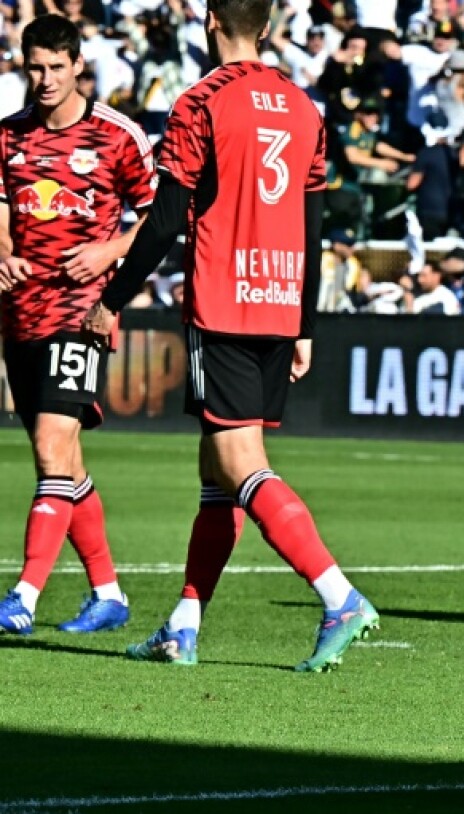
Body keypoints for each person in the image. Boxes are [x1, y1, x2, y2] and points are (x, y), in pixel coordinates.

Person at [81, 0, 379, 672]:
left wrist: (111, 301)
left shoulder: (200, 103)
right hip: (278, 302)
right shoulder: (304, 108)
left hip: (225, 302)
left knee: (239, 464)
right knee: (217, 472)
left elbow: (164, 221)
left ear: (211, 19)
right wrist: (304, 324)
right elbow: (313, 227)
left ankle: (339, 596)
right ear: (266, 26)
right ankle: (183, 624)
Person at [0, 15, 157, 636]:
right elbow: (3, 208)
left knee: (49, 447)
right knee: (62, 462)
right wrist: (3, 253)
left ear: (78, 66)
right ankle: (109, 594)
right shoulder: (8, 137)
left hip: (82, 313)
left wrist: (109, 251)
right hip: (21, 314)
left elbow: (161, 214)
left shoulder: (118, 135)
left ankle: (23, 596)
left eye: (55, 68)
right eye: (34, 67)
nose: (43, 79)